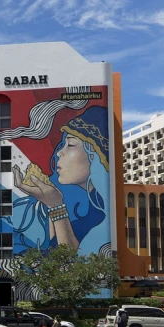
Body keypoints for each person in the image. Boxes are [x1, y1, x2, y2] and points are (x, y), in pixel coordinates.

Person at [12, 106, 111, 254]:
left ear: (95, 154)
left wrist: (55, 204)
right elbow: (55, 251)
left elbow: (67, 260)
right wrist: (50, 203)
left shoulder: (102, 216)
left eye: (70, 145)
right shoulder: (92, 211)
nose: (59, 153)